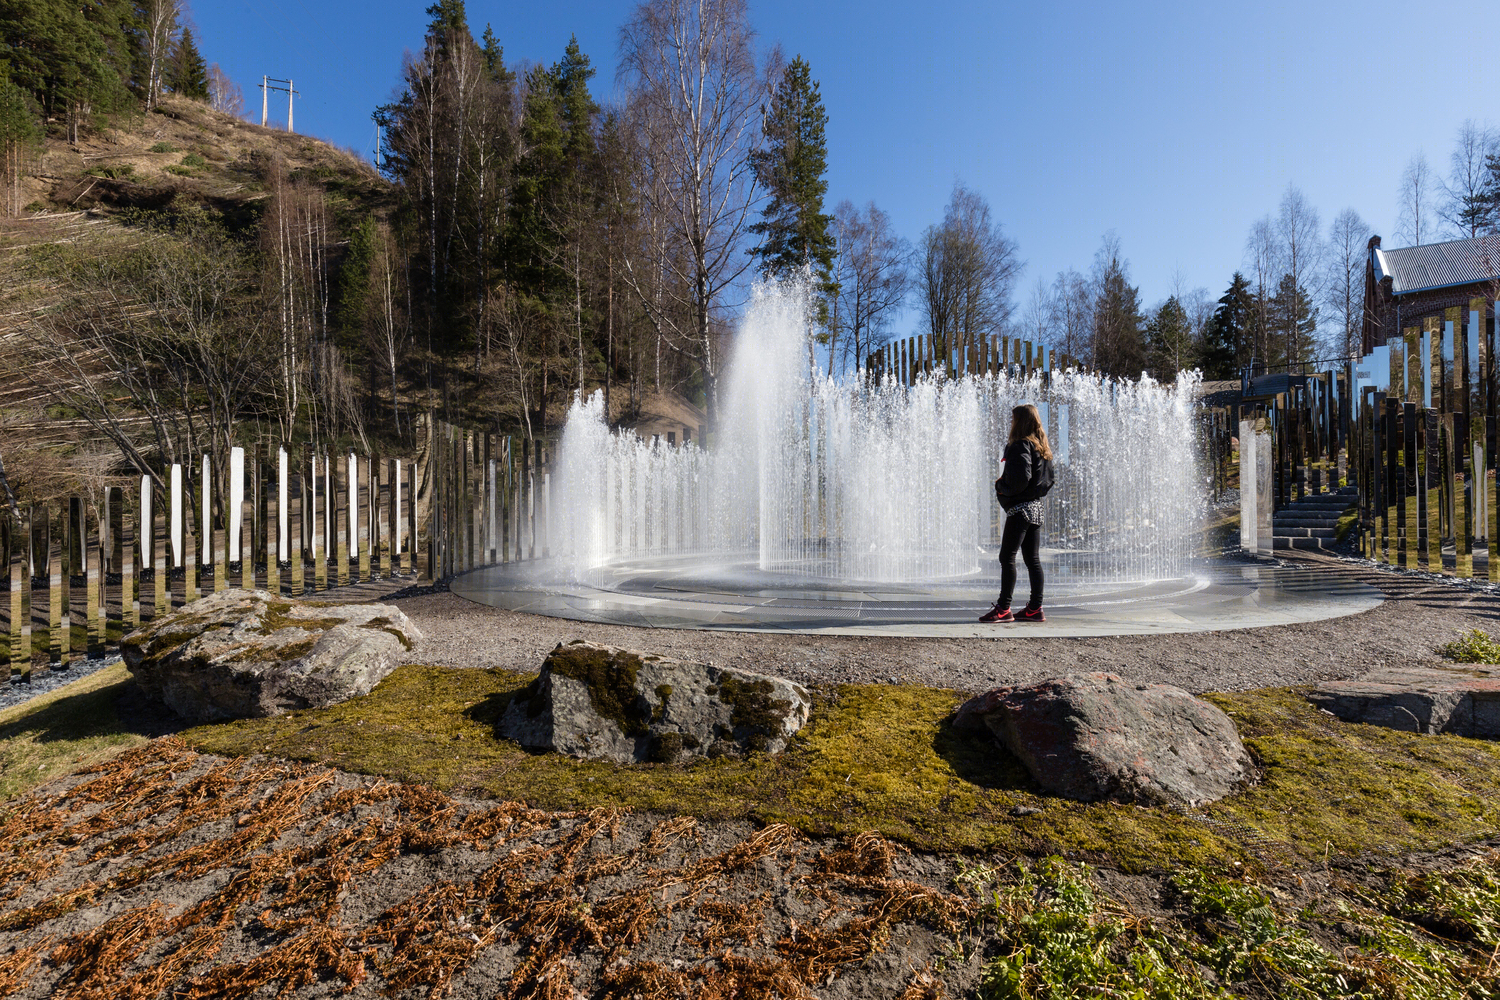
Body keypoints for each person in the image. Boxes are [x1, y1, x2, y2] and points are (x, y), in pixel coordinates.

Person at [980, 404, 1054, 623]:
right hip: (1036, 508)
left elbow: (1021, 477)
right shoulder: (1042, 447)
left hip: (1021, 509)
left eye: (1013, 419)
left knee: (1007, 557)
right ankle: (1035, 608)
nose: (1010, 423)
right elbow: (1048, 480)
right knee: (1033, 560)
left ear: (1020, 421)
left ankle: (1003, 608)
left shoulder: (1020, 444)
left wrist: (1002, 486)